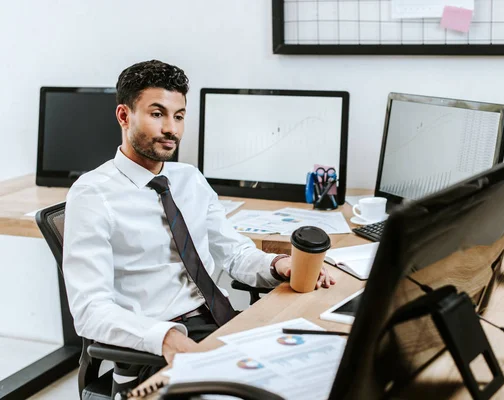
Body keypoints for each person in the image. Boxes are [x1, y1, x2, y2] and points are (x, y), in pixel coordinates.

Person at [62, 60, 335, 379]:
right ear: (124, 115)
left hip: (217, 322)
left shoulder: (189, 178)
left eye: (179, 116)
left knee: (319, 365)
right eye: (157, 114)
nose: (171, 129)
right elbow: (89, 310)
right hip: (151, 346)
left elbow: (234, 253)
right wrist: (165, 337)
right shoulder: (92, 195)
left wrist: (277, 264)